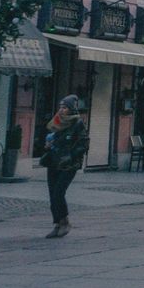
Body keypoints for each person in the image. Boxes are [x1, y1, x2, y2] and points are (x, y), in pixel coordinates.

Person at [41, 95, 88, 238]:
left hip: (68, 164)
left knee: (58, 193)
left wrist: (71, 156)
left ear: (72, 109)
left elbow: (83, 144)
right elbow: (53, 139)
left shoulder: (77, 123)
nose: (62, 110)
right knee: (52, 194)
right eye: (61, 107)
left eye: (65, 107)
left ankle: (65, 222)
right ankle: (58, 223)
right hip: (54, 161)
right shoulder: (56, 122)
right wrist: (48, 145)